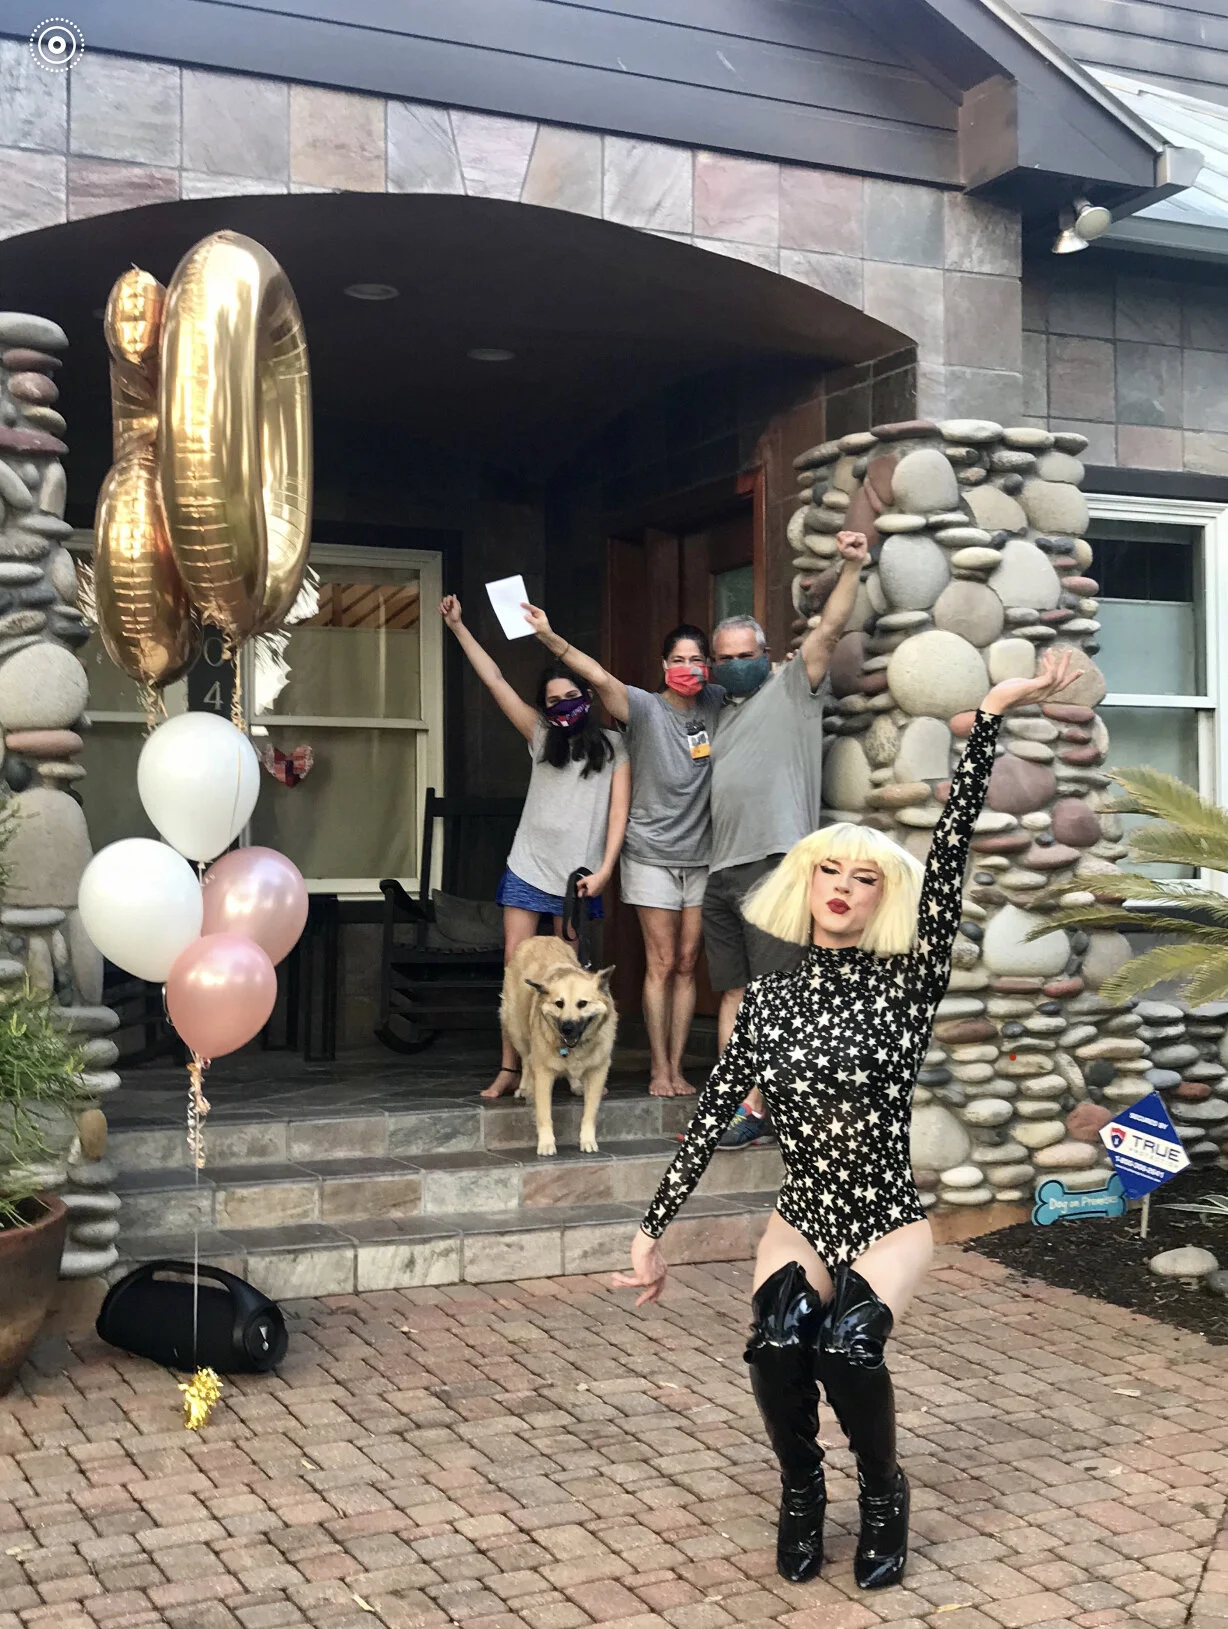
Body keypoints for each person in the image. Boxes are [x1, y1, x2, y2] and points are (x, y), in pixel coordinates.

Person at [615, 647, 1082, 1593]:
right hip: (801, 1213)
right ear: (805, 883)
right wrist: (649, 1229)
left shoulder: (905, 989)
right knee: (780, 1340)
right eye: (828, 870)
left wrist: (989, 713)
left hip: (883, 1217)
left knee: (848, 1345)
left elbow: (947, 853)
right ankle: (801, 1490)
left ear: (881, 899)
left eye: (863, 877)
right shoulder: (773, 999)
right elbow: (712, 1113)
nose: (842, 886)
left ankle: (882, 1494)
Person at [705, 530, 867, 1152]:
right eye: (723, 656)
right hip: (721, 871)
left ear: (764, 652)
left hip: (775, 864)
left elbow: (828, 629)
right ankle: (736, 1102)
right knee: (734, 992)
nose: (732, 663)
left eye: (743, 652)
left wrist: (852, 563)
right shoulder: (716, 713)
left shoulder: (794, 687)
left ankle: (773, 1108)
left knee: (776, 996)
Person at [523, 608, 722, 1098]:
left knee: (687, 962)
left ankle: (679, 1068)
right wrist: (551, 637)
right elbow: (596, 676)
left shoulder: (719, 702)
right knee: (661, 961)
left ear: (710, 667)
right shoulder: (644, 707)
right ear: (663, 664)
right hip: (651, 852)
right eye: (678, 659)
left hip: (705, 853)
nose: (687, 667)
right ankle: (659, 1069)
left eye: (697, 659)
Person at [439, 595, 630, 1099]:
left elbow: (618, 814)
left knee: (570, 980)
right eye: (551, 701)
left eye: (569, 696)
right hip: (527, 869)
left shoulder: (615, 747)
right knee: (517, 970)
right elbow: (496, 681)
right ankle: (511, 1068)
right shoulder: (540, 735)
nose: (561, 707)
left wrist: (606, 871)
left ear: (586, 696)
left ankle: (569, 1066)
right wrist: (459, 628)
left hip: (579, 880)